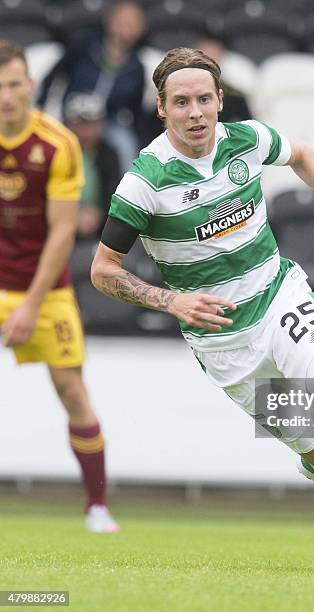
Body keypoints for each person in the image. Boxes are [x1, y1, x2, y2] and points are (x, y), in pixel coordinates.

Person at [90, 47, 314, 568]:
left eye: (205, 99)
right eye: (181, 102)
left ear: (219, 100)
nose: (195, 113)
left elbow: (302, 154)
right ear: (162, 108)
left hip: (281, 297)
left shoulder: (247, 140)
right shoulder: (144, 183)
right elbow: (103, 270)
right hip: (225, 342)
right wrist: (171, 300)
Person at [0, 41, 118, 533]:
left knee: (72, 393)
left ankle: (97, 506)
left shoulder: (58, 143)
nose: (5, 95)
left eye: (12, 83)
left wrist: (28, 306)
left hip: (43, 291)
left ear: (30, 85)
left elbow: (63, 232)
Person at [37, 1, 147, 173]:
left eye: (132, 25)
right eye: (122, 23)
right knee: (49, 145)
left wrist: (141, 143)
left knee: (126, 144)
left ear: (141, 29)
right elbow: (55, 74)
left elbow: (136, 112)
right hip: (72, 115)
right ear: (109, 21)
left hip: (108, 122)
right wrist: (41, 103)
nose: (126, 30)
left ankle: (128, 196)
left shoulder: (137, 67)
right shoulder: (84, 45)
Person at [64, 93, 121, 240]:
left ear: (101, 124)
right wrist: (73, 215)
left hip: (102, 225)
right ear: (69, 125)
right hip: (64, 221)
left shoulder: (109, 152)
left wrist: (98, 214)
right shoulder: (59, 152)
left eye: (91, 124)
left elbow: (115, 191)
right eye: (80, 124)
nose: (85, 131)